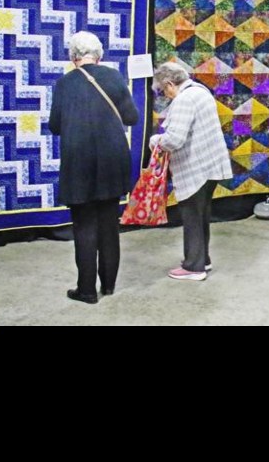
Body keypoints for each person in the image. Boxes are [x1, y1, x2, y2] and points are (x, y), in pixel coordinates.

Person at [49, 31, 139, 304]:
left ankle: (86, 290)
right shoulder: (113, 77)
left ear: (73, 56)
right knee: (109, 224)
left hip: (79, 161)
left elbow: (55, 126)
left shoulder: (65, 83)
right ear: (99, 55)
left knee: (85, 225)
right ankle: (109, 285)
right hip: (113, 160)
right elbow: (132, 118)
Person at [149, 61, 233, 281]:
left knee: (192, 216)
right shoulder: (201, 92)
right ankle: (202, 258)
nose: (164, 95)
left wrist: (155, 140)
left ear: (169, 83)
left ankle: (193, 267)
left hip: (196, 167)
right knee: (202, 214)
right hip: (211, 165)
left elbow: (175, 139)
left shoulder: (184, 99)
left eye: (162, 90)